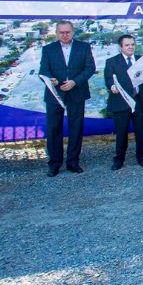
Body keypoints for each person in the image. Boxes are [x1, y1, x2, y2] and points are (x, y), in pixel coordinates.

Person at [38, 20, 96, 176]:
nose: (64, 35)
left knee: (76, 128)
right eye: (61, 32)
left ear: (73, 32)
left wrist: (75, 82)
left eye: (67, 32)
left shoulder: (83, 47)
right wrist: (51, 79)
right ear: (56, 33)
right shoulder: (48, 49)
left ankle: (73, 162)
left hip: (76, 92)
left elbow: (90, 68)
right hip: (54, 94)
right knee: (53, 129)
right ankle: (54, 164)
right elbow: (43, 70)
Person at [104, 35, 143, 170]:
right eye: (127, 45)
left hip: (140, 102)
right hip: (121, 103)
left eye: (132, 44)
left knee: (142, 132)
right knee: (121, 133)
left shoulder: (141, 60)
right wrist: (111, 87)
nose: (130, 47)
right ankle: (119, 160)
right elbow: (108, 79)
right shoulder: (112, 62)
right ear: (120, 47)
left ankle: (142, 158)